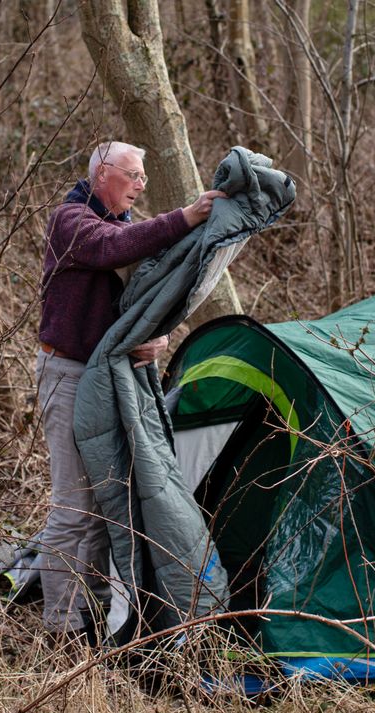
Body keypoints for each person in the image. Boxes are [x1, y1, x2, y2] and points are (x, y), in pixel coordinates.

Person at [35, 141, 225, 643]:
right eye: (134, 176)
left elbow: (138, 298)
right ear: (102, 173)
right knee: (74, 506)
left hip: (107, 379)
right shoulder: (71, 221)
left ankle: (90, 618)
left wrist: (156, 337)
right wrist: (186, 216)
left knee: (104, 505)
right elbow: (112, 248)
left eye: (143, 178)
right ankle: (59, 632)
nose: (141, 186)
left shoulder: (119, 224)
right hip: (69, 373)